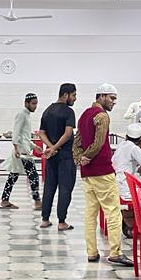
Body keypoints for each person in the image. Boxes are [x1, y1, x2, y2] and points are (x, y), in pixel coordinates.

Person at [72, 84, 133, 266]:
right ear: (101, 96)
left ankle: (91, 252)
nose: (114, 102)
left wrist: (79, 158)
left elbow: (77, 140)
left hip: (87, 173)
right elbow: (98, 143)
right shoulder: (102, 115)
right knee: (113, 212)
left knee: (90, 213)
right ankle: (115, 252)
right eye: (112, 98)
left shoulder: (85, 114)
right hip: (102, 171)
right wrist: (88, 157)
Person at [39, 83, 78, 231]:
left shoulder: (47, 110)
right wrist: (55, 148)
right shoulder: (69, 112)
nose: (75, 98)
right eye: (73, 95)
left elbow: (41, 133)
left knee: (49, 187)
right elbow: (68, 134)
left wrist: (50, 147)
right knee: (65, 188)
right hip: (66, 156)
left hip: (52, 156)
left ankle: (45, 219)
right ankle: (62, 222)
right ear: (65, 95)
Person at [1, 93, 42, 211]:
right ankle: (37, 202)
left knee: (13, 175)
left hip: (23, 149)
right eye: (33, 103)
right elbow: (16, 132)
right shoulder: (21, 115)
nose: (35, 106)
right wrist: (16, 148)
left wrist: (34, 146)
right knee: (33, 176)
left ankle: (5, 200)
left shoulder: (27, 115)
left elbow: (25, 136)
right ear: (26, 103)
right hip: (21, 152)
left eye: (36, 103)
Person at [113, 123, 141, 201]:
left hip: (116, 184)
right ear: (140, 140)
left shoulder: (121, 145)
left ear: (126, 136)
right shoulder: (133, 148)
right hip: (125, 188)